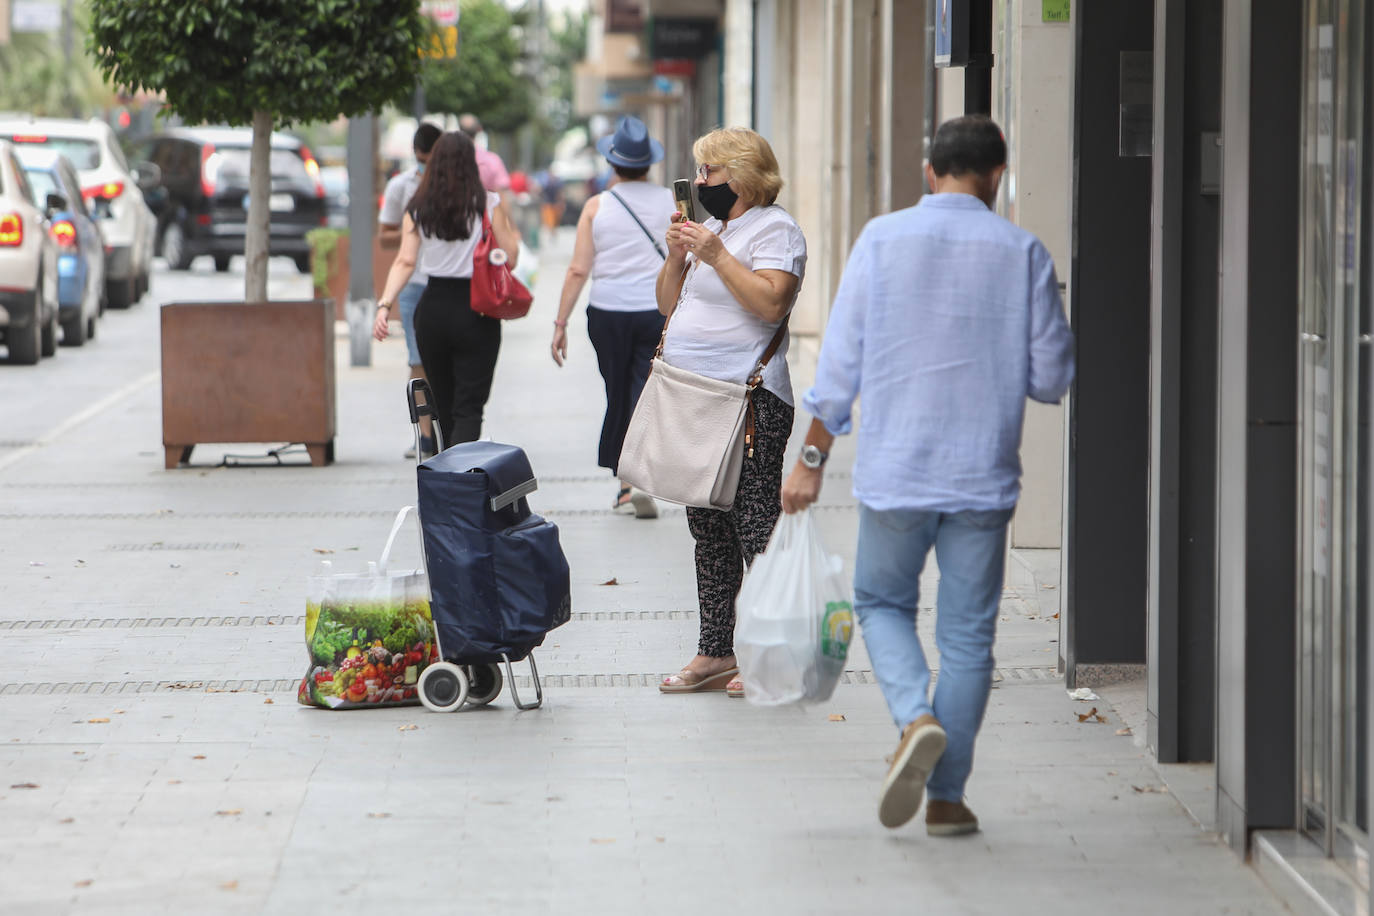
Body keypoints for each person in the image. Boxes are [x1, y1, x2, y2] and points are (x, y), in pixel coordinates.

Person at [781, 115, 1075, 835]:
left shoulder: (881, 240)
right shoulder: (1024, 252)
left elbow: (840, 368)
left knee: (882, 605)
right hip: (982, 475)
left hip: (897, 471)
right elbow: (1051, 377)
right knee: (970, 640)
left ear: (928, 172)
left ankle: (914, 715)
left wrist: (811, 460)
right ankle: (946, 800)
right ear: (997, 177)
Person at [654, 127, 807, 694]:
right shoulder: (716, 228)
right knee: (708, 526)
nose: (699, 183)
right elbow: (668, 304)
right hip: (697, 396)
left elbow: (772, 303)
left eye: (708, 173)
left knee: (755, 524)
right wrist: (677, 258)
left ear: (740, 176)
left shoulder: (775, 229)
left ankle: (775, 651)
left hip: (750, 399)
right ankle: (716, 652)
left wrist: (717, 256)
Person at [551, 116, 674, 518]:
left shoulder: (596, 206)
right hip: (656, 310)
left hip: (607, 313)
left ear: (613, 163)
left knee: (617, 390)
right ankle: (635, 480)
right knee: (643, 391)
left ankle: (626, 481)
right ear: (647, 163)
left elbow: (577, 270)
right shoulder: (670, 203)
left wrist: (560, 323)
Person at [373, 131, 521, 446]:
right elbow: (512, 257)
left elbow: (404, 261)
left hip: (433, 310)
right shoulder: (489, 202)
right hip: (477, 312)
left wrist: (384, 305)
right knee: (469, 408)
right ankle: (461, 481)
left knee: (440, 405)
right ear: (471, 164)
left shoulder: (418, 207)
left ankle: (446, 481)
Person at [378, 122, 443, 459]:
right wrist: (411, 233)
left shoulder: (455, 188)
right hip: (414, 286)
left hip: (447, 285)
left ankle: (446, 432)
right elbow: (384, 236)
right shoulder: (400, 187)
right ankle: (425, 437)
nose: (424, 167)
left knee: (444, 363)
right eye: (420, 160)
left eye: (429, 160)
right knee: (418, 361)